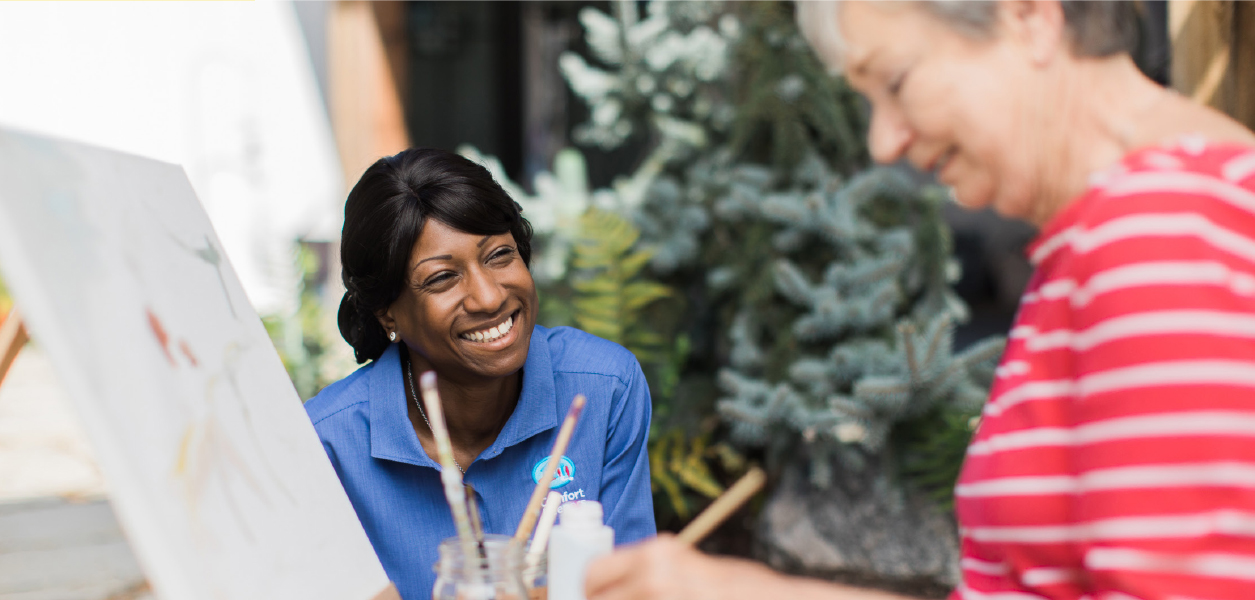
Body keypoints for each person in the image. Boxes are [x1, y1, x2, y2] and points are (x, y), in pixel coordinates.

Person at [585, 1, 1255, 599]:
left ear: (1029, 17)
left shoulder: (1158, 230)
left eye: (897, 83)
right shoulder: (1136, 224)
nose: (884, 142)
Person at [304, 148, 655, 599]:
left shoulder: (604, 388)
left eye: (499, 255)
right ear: (387, 313)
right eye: (442, 278)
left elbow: (633, 585)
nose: (489, 297)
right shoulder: (327, 444)